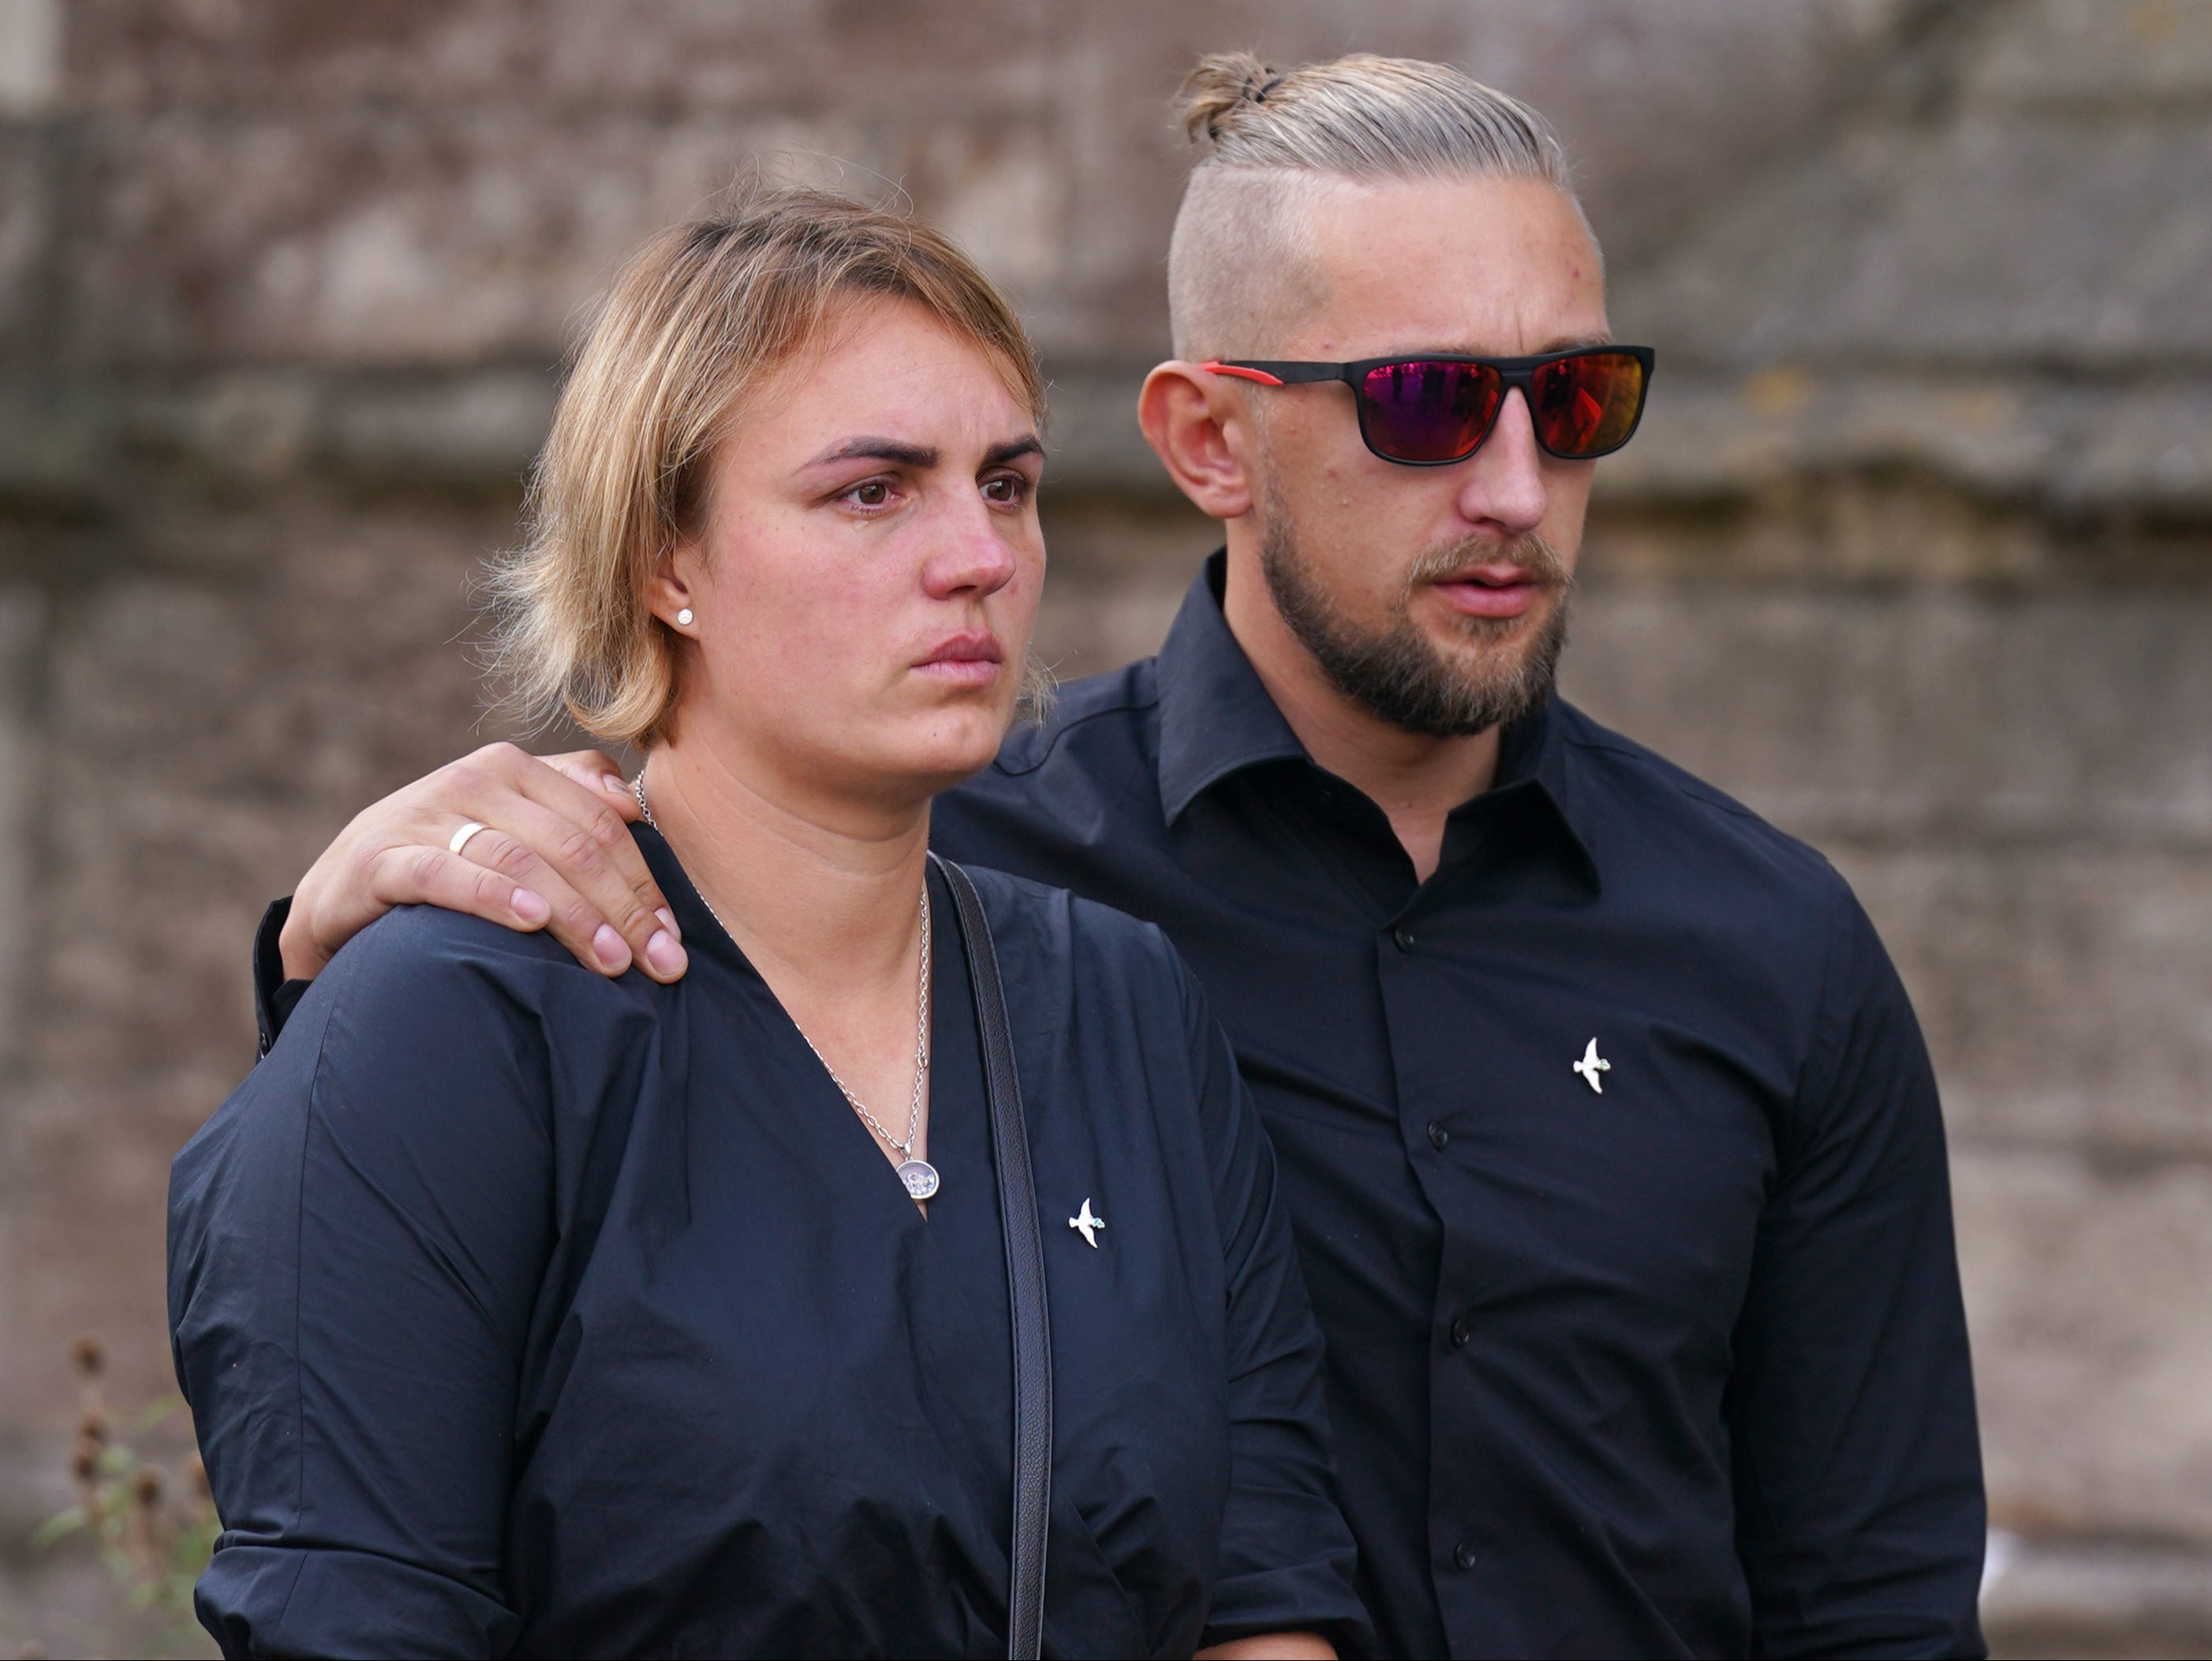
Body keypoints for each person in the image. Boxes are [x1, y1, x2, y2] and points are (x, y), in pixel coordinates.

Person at [247, 54, 1990, 1660]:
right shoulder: (959, 860)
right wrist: (343, 962)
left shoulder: (1764, 943)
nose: (1518, 490)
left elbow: (1874, 1598)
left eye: (1578, 397)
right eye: (1429, 401)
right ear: (1207, 442)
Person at [170, 187, 1367, 1660]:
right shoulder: (455, 1019)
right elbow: (351, 1620)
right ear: (664, 561)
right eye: (873, 490)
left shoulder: (1121, 1002)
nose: (979, 557)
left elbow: (1264, 1588)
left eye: (1005, 482)